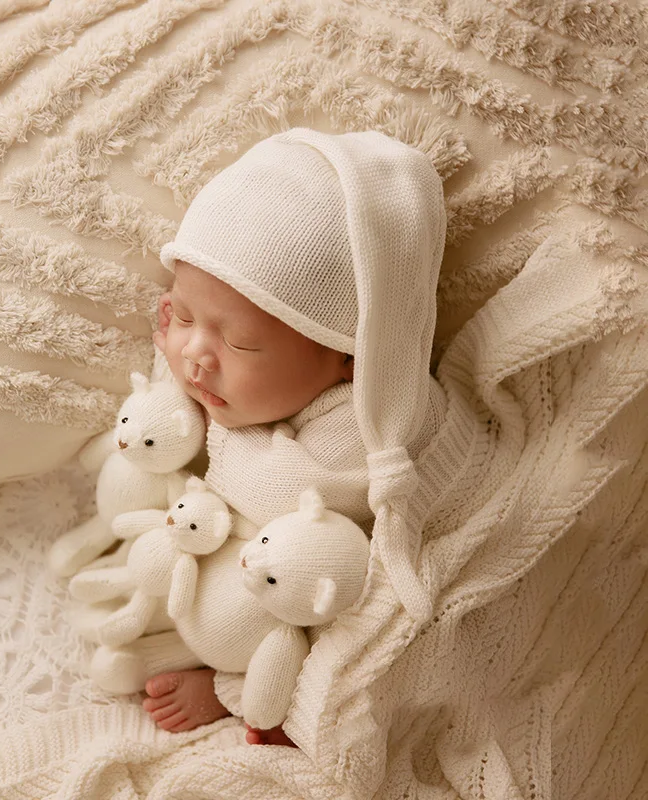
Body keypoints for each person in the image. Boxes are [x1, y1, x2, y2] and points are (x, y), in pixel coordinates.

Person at [136, 128, 448, 744]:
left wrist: (211, 426)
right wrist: (172, 361)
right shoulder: (231, 380)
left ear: (351, 358)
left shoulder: (368, 424)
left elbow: (284, 494)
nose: (195, 357)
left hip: (343, 586)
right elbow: (178, 403)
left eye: (241, 343)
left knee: (337, 628)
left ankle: (239, 693)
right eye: (184, 316)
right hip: (266, 574)